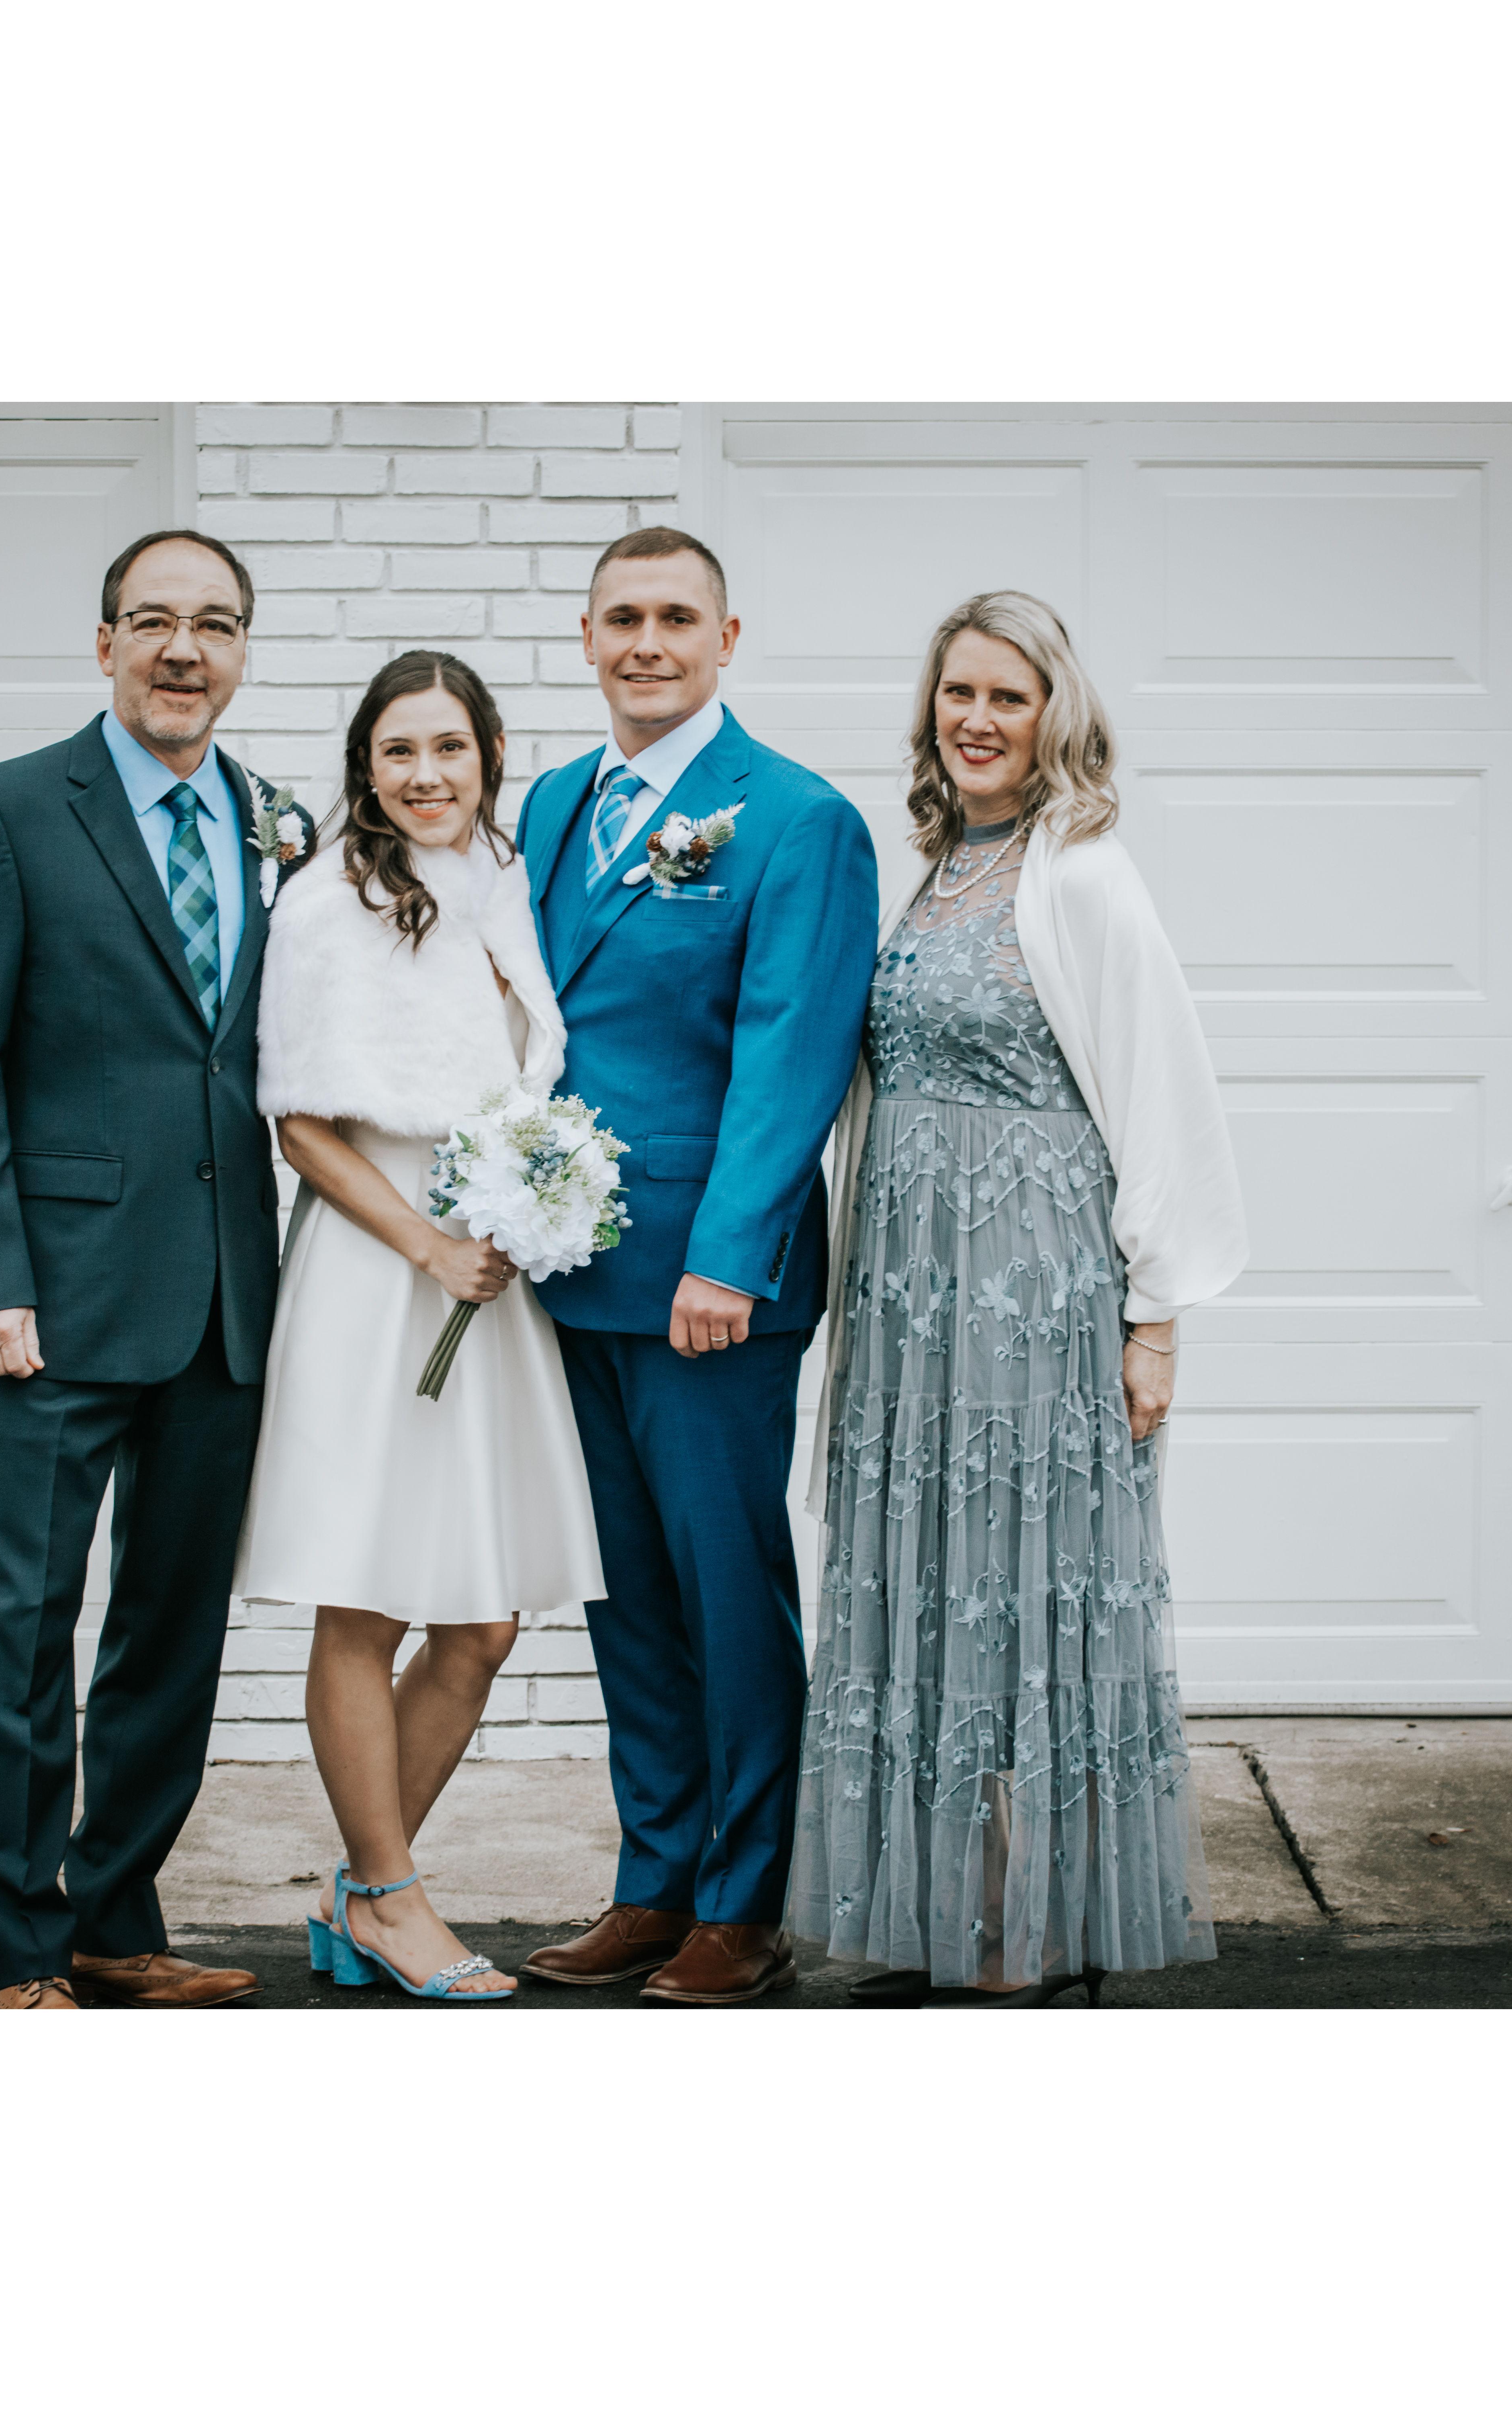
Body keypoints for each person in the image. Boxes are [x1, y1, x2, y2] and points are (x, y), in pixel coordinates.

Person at [788, 590, 1248, 2006]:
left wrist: (1155, 1318)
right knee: (935, 1589)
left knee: (1030, 1588)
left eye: (1008, 696)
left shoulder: (1086, 873)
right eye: (958, 694)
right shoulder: (933, 865)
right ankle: (953, 1912)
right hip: (910, 1292)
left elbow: (1161, 1092)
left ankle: (1036, 1927)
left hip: (1032, 1285)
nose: (977, 720)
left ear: (1056, 715)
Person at [0, 529, 304, 2010]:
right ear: (105, 644)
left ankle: (114, 1921)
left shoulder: (278, 825)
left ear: (243, 651)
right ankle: (21, 1955)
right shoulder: (9, 812)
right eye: (153, 621)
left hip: (223, 1301)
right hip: (52, 1301)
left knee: (171, 1636)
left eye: (214, 624)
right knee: (24, 1631)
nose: (183, 650)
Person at [512, 528, 879, 2006]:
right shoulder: (551, 804)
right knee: (628, 1599)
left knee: (729, 1594)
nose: (647, 642)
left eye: (678, 617)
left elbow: (793, 1057)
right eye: (623, 618)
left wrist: (729, 1259)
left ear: (728, 640)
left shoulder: (796, 819)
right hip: (572, 1269)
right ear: (587, 637)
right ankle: (655, 1881)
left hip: (706, 1293)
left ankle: (747, 1900)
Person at [238, 651, 603, 2003]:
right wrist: (429, 1245)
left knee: (482, 1624)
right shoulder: (326, 902)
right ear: (366, 767)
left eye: (450, 747)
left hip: (482, 1276)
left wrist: (527, 1205)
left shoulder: (501, 880)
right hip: (382, 1268)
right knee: (370, 1593)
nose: (426, 775)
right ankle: (393, 1898)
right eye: (399, 751)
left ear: (490, 755)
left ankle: (361, 1891)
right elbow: (301, 1126)